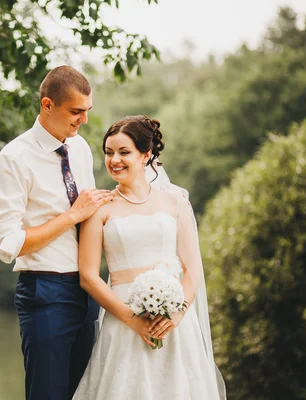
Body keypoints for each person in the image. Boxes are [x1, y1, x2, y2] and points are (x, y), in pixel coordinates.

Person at [73, 116, 226, 399]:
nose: (114, 160)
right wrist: (132, 319)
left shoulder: (176, 203)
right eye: (108, 153)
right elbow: (88, 277)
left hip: (175, 325)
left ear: (146, 155)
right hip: (122, 321)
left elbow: (193, 270)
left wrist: (176, 314)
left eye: (123, 152)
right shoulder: (100, 209)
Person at [0, 66, 114, 400]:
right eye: (75, 112)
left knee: (85, 393)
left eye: (87, 111)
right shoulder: (14, 158)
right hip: (45, 292)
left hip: (88, 290)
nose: (83, 120)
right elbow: (7, 243)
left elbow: (89, 215)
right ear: (47, 104)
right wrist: (70, 215)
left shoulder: (81, 149)